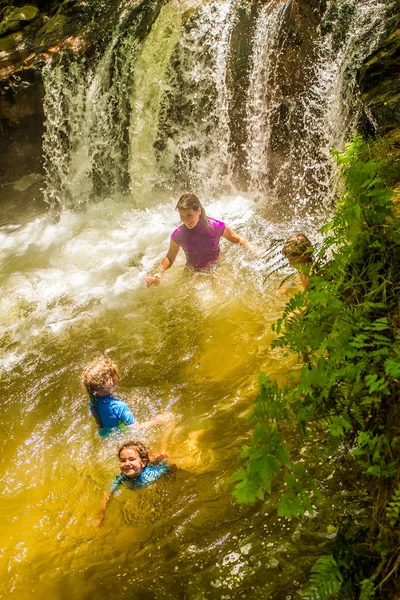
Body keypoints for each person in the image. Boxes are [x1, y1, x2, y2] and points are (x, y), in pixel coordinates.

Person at [145, 193, 254, 286]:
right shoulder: (178, 235)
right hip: (192, 272)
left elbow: (238, 239)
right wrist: (159, 274)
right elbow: (169, 257)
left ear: (199, 211)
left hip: (215, 268)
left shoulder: (215, 226)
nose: (186, 220)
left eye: (189, 215)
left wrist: (253, 249)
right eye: (182, 216)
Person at [82, 357, 166, 436]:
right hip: (120, 435)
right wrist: (156, 422)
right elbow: (136, 428)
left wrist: (126, 405)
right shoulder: (119, 406)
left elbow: (109, 415)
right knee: (168, 418)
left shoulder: (93, 401)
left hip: (104, 434)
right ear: (110, 383)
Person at [93, 440, 170, 528]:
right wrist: (99, 516)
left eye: (132, 459)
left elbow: (167, 470)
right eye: (123, 460)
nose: (127, 464)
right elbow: (107, 495)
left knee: (163, 453)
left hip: (158, 464)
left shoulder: (153, 474)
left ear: (143, 463)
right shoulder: (120, 478)